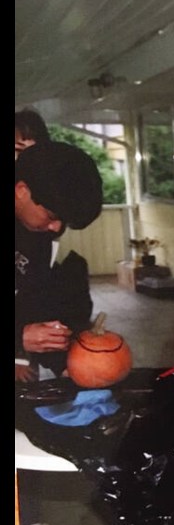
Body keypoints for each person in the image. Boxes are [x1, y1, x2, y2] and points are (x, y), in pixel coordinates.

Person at [16, 141, 103, 382]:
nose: (56, 228)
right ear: (22, 190)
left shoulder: (39, 234)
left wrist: (65, 364)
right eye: (52, 216)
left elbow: (34, 303)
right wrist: (18, 338)